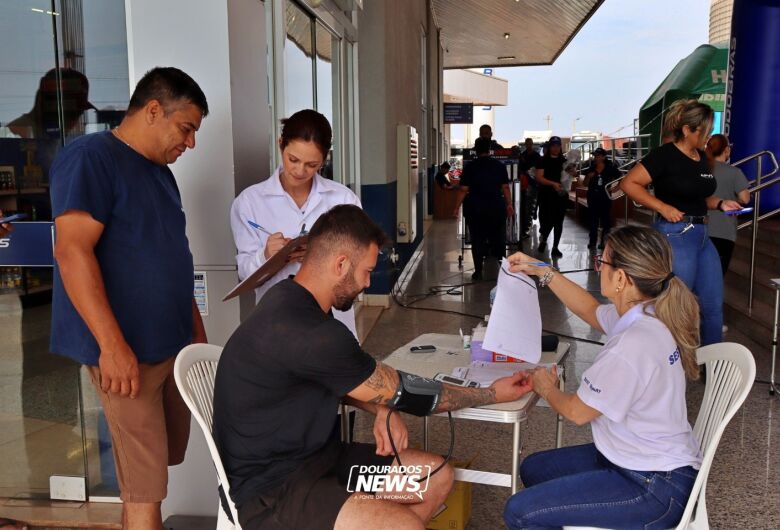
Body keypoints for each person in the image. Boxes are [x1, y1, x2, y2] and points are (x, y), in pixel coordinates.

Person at [213, 204, 532, 530]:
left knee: (435, 478)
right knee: (405, 525)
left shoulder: (292, 298)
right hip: (274, 490)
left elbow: (346, 382)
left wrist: (382, 408)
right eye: (366, 271)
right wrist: (492, 393)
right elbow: (410, 393)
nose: (367, 283)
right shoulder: (311, 332)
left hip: (322, 461)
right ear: (341, 264)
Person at [49, 67, 209, 530]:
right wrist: (112, 347)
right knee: (145, 490)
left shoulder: (161, 175)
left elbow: (172, 258)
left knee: (156, 472)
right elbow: (72, 251)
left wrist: (194, 332)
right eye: (187, 128)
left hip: (171, 347)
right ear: (154, 110)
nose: (191, 143)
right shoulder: (90, 159)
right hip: (127, 356)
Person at [503, 225, 702, 529]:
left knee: (520, 512)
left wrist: (546, 386)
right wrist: (540, 269)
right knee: (534, 468)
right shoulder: (649, 311)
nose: (598, 267)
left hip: (654, 485)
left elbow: (577, 412)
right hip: (634, 457)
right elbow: (590, 310)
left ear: (621, 279)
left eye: (602, 262)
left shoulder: (632, 344)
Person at [230, 109, 361, 336]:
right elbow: (244, 273)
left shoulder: (343, 199)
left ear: (325, 158)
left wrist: (323, 254)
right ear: (281, 144)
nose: (300, 171)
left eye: (312, 164)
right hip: (275, 324)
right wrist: (266, 256)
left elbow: (360, 264)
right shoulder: (250, 202)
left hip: (332, 325)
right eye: (293, 160)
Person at [621, 99, 741, 346]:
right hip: (675, 234)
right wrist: (662, 207)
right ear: (687, 130)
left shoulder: (701, 158)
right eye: (704, 131)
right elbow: (629, 183)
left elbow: (700, 195)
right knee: (675, 308)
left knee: (713, 307)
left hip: (702, 235)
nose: (708, 137)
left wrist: (720, 203)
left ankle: (713, 367)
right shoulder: (665, 155)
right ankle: (668, 365)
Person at [452, 137, 514, 281]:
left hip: (475, 208)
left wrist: (456, 207)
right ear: (489, 150)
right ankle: (503, 270)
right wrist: (509, 204)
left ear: (476, 150)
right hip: (496, 207)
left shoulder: (470, 167)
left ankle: (478, 271)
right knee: (498, 239)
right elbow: (505, 187)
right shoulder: (499, 166)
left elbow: (463, 189)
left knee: (477, 240)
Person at [705, 134, 751, 275]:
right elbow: (745, 198)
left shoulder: (701, 169)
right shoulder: (734, 172)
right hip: (723, 231)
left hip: (699, 228)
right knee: (716, 276)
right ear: (727, 150)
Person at [535, 136, 568, 258]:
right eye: (553, 145)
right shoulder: (542, 160)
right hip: (546, 195)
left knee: (559, 221)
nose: (556, 148)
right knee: (546, 221)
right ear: (549, 147)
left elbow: (571, 175)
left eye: (558, 146)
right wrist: (553, 184)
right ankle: (544, 240)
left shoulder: (564, 161)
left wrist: (573, 172)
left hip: (561, 196)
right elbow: (539, 177)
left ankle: (555, 247)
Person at [583, 147, 620, 250]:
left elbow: (622, 178)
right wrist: (588, 177)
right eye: (594, 155)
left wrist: (615, 189)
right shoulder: (591, 168)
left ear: (603, 157)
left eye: (598, 156)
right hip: (592, 197)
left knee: (606, 221)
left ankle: (604, 242)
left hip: (605, 197)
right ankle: (592, 242)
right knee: (593, 220)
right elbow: (585, 184)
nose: (595, 157)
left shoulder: (610, 167)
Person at [519, 138, 542, 237]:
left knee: (533, 203)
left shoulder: (536, 156)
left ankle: (531, 217)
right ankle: (526, 226)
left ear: (532, 144)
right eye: (527, 144)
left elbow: (539, 168)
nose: (528, 145)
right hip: (525, 183)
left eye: (530, 144)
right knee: (526, 205)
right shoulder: (522, 155)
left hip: (533, 183)